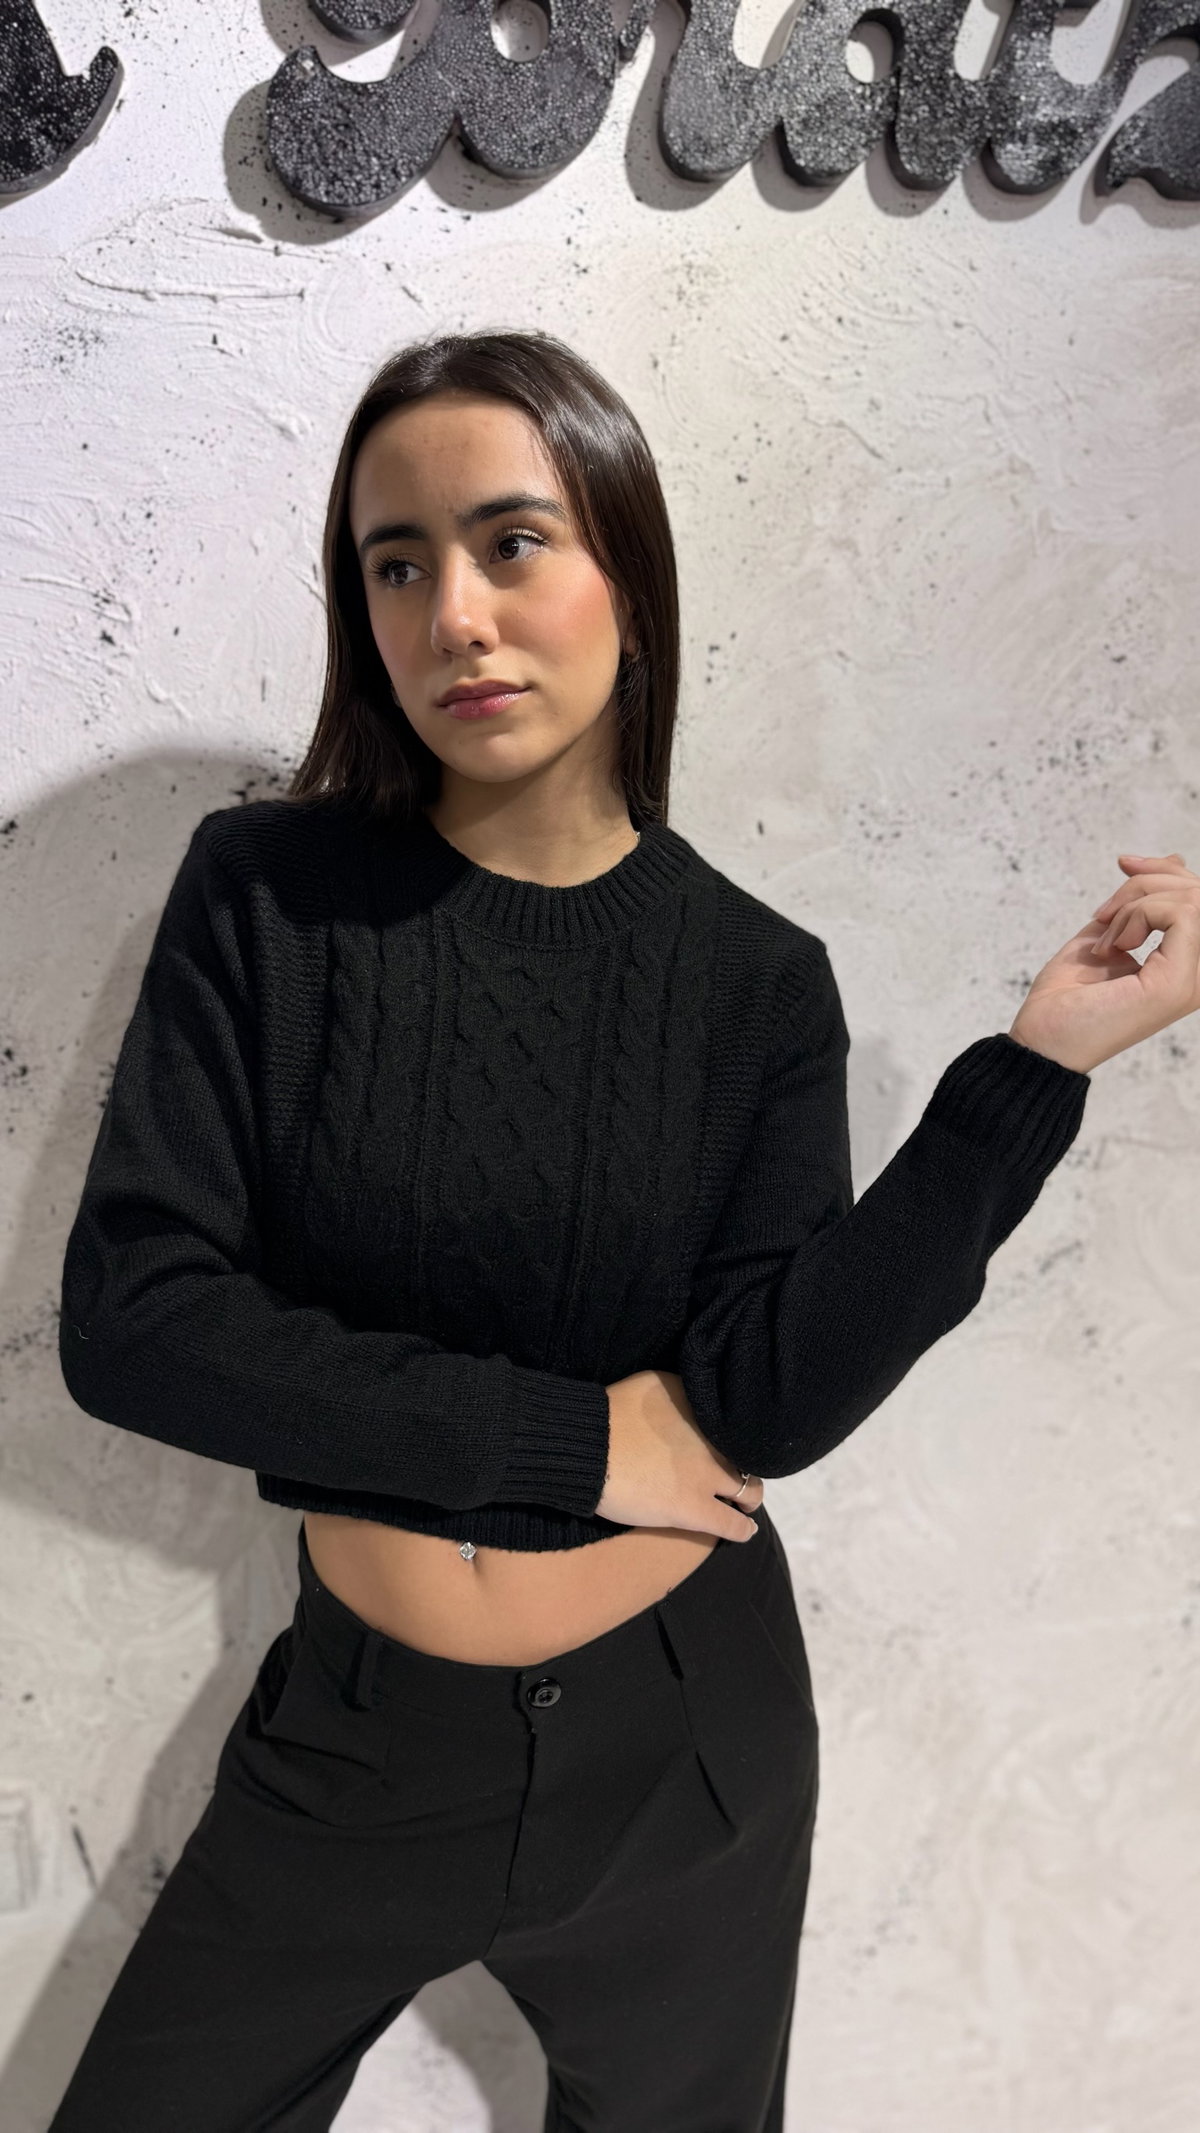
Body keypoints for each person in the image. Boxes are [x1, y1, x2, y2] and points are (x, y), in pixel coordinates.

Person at [47, 328, 1199, 2133]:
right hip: (359, 1743)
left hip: (689, 1745)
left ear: (629, 578)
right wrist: (577, 1441)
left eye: (513, 542)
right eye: (397, 564)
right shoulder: (266, 898)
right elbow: (134, 1319)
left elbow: (767, 1399)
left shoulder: (756, 980)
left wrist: (1033, 1068)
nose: (455, 615)